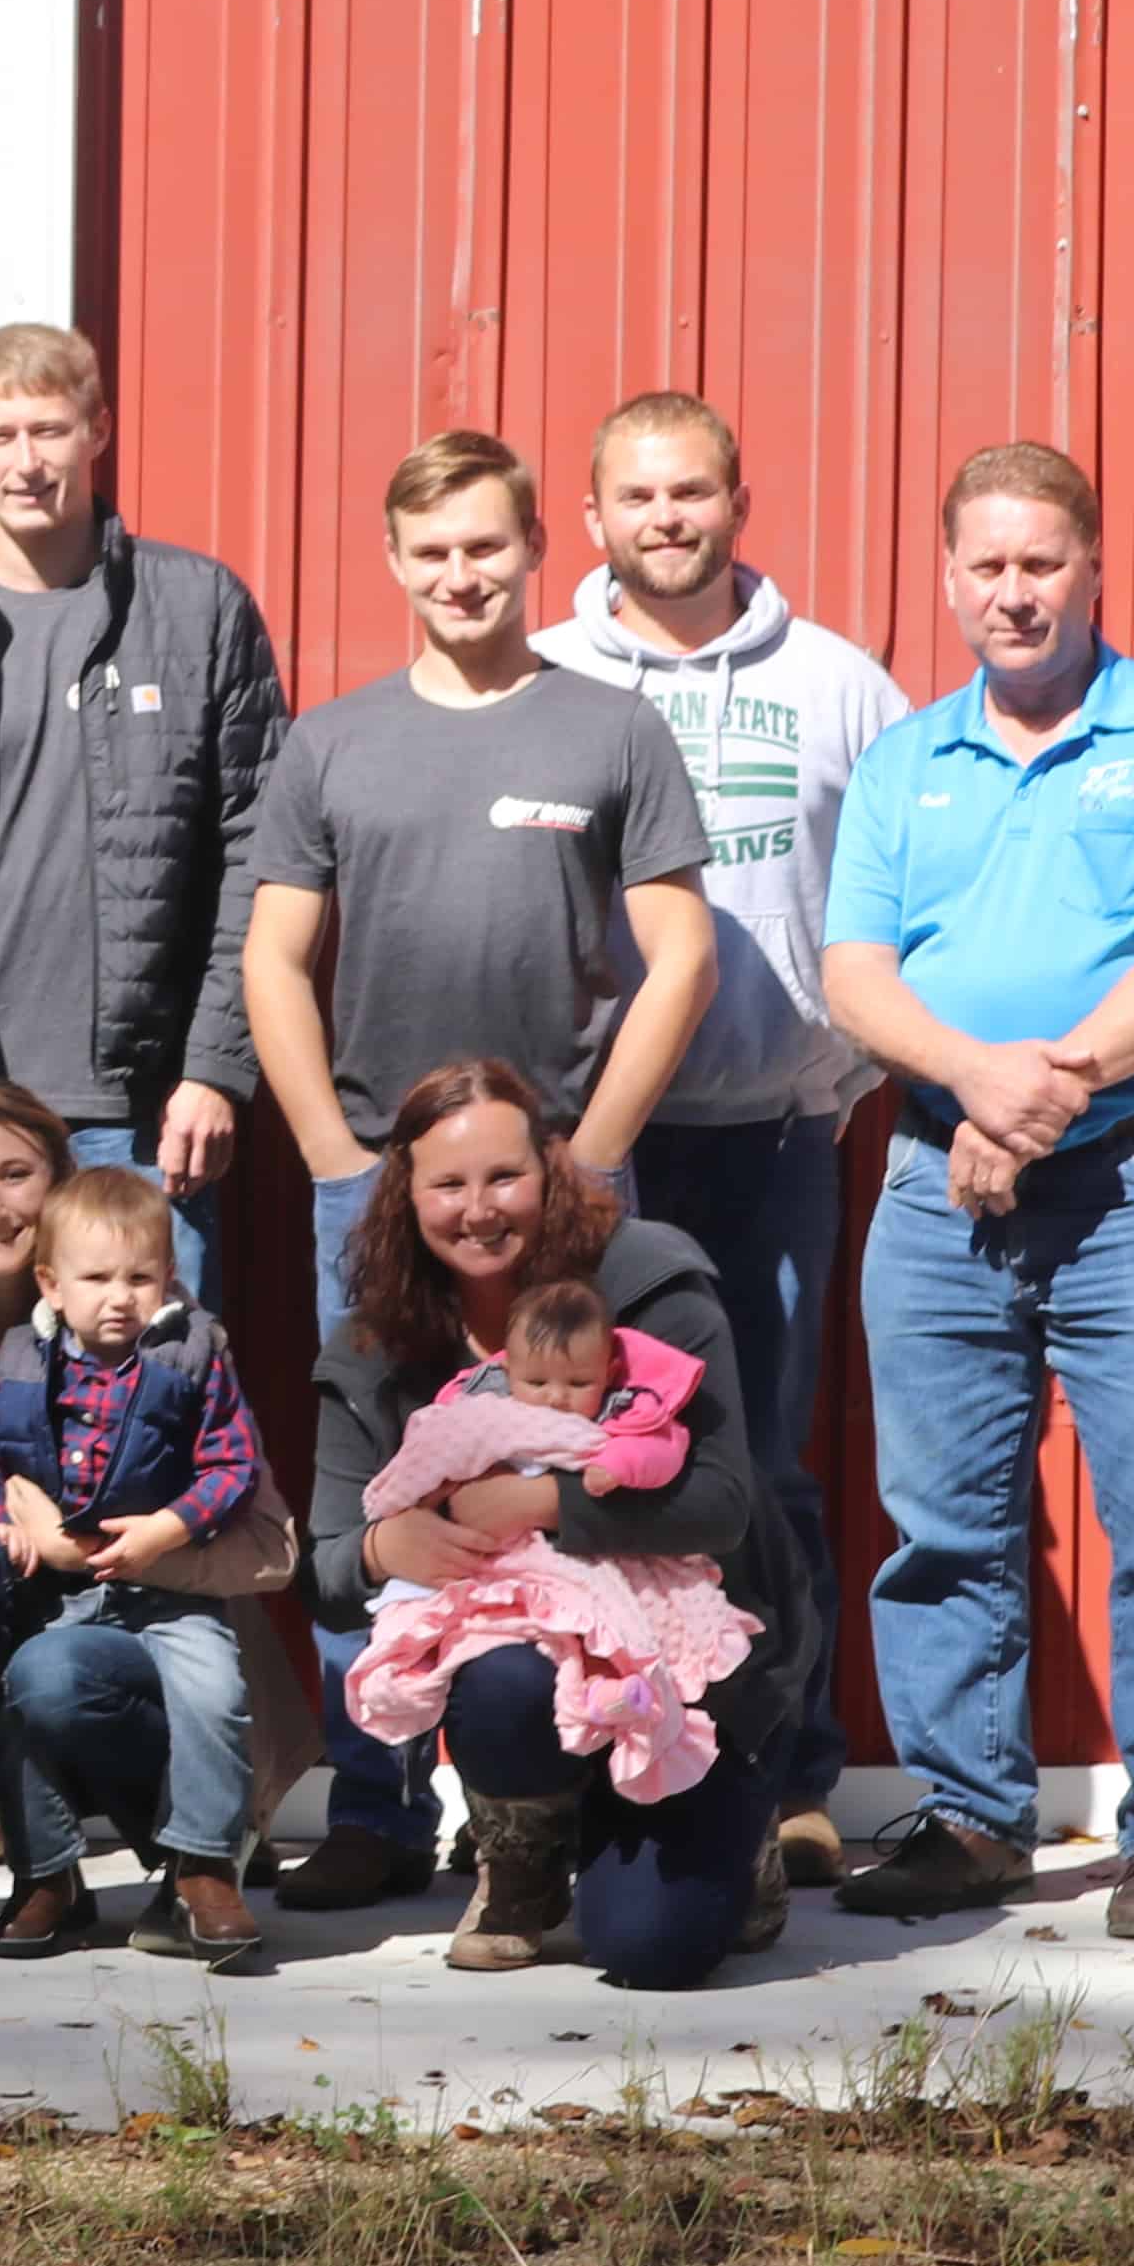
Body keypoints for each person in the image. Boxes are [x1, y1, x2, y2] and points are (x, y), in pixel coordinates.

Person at [241, 429, 716, 1909]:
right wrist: (331, 1149)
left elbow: (681, 950)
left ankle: (560, 1782)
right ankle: (377, 1801)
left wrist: (605, 1149)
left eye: (487, 548)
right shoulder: (332, 742)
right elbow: (270, 953)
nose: (461, 575)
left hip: (561, 1190)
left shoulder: (608, 731)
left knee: (569, 1473)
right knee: (387, 1479)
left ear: (531, 553)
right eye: (432, 551)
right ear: (395, 563)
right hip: (386, 1188)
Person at [821, 443, 1134, 1944]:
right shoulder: (906, 764)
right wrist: (971, 1076)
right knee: (941, 1527)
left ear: (1093, 568)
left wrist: (1041, 1089)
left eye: (1042, 564)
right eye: (987, 568)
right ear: (948, 579)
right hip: (935, 1186)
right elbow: (854, 977)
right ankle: (968, 1817)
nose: (1014, 594)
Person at [533, 391, 908, 1887]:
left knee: (768, 1471)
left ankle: (791, 1773)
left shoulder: (838, 686)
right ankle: (562, 1774)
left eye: (692, 491)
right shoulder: (552, 675)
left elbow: (897, 895)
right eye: (638, 495)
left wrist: (842, 1069)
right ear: (594, 514)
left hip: (768, 1139)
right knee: (564, 1458)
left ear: (739, 499)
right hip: (581, 1154)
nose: (666, 518)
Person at [0, 323, 289, 1302]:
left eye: (49, 430)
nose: (26, 462)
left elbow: (264, 854)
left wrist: (214, 1066)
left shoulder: (198, 609)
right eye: (0, 436)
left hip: (140, 1109)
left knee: (147, 1412)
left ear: (98, 431)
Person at [303, 1058, 780, 1984]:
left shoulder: (648, 1285)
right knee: (500, 1680)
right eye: (448, 1183)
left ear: (551, 1172)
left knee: (653, 1951)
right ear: (406, 1191)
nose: (479, 1209)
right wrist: (381, 1544)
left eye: (503, 1177)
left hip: (677, 1672)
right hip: (523, 1673)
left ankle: (736, 1821)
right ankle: (523, 1845)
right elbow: (323, 1558)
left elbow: (723, 1506)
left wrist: (541, 1502)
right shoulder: (374, 1344)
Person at [0, 1166, 283, 1966]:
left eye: (140, 1276)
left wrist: (169, 1528)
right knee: (22, 1685)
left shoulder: (193, 1357)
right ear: (51, 1284)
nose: (119, 1297)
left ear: (168, 1278)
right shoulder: (27, 1362)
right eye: (96, 1278)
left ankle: (204, 1866)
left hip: (170, 1596)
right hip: (65, 1601)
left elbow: (231, 1467)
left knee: (216, 1689)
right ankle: (49, 1875)